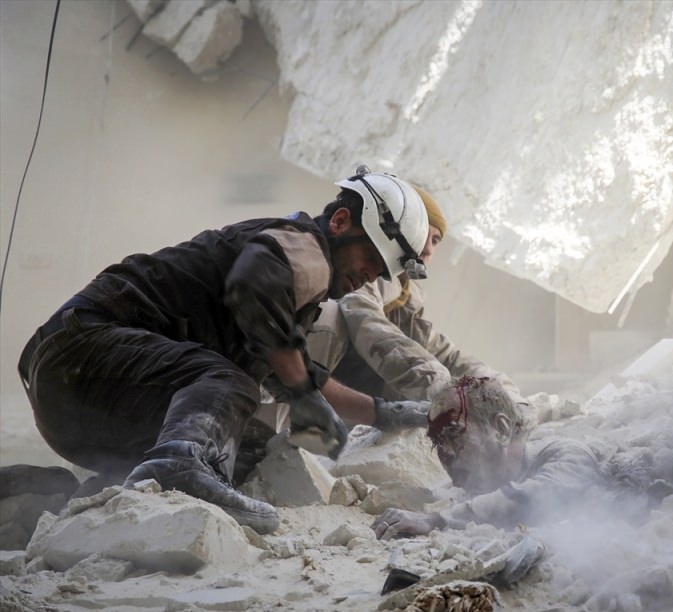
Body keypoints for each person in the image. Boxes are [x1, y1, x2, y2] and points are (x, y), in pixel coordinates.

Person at [16, 166, 428, 535]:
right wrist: (302, 391)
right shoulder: (303, 248)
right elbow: (253, 287)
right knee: (229, 384)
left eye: (379, 272)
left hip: (74, 396)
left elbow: (296, 367)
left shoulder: (295, 286)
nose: (369, 276)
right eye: (370, 257)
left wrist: (385, 413)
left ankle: (56, 499)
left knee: (245, 441)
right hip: (83, 353)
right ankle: (179, 466)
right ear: (340, 222)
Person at [307, 186, 522, 429]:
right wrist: (448, 397)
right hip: (308, 413)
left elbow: (449, 357)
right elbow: (369, 325)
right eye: (422, 234)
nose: (429, 249)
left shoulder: (405, 304)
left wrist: (509, 403)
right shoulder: (359, 276)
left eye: (436, 240)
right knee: (328, 316)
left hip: (353, 424)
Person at [372, 376, 605, 540]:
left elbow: (533, 498)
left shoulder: (568, 454)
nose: (446, 453)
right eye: (438, 442)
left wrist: (436, 520)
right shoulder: (474, 489)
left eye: (455, 434)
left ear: (501, 430)